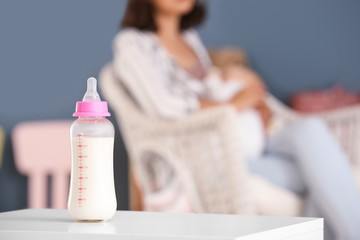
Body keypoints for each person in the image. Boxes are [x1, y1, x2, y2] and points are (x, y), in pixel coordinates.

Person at [112, 0, 360, 239]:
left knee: (311, 130)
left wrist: (249, 91)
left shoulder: (189, 38)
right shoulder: (133, 43)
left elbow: (209, 89)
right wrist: (236, 103)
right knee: (328, 174)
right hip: (209, 155)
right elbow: (167, 107)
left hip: (250, 140)